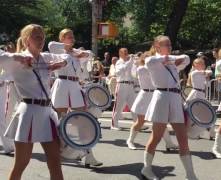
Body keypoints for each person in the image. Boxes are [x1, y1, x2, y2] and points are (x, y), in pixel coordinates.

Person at [2, 24, 69, 180]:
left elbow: (67, 56)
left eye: (42, 37)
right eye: (36, 37)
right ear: (26, 40)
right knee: (21, 164)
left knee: (55, 162)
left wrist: (61, 64)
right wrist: (16, 57)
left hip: (47, 113)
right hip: (28, 113)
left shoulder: (46, 57)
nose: (41, 40)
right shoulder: (16, 60)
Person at [141, 35, 198, 180]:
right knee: (156, 137)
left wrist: (171, 59)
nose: (170, 47)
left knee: (183, 138)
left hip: (174, 98)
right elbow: (151, 60)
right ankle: (146, 169)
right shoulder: (151, 61)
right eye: (166, 45)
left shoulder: (172, 62)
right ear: (157, 46)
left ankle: (190, 175)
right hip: (161, 97)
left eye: (170, 44)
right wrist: (168, 59)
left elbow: (186, 58)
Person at [48, 28, 102, 167]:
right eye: (68, 36)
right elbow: (51, 44)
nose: (72, 38)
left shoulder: (76, 53)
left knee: (83, 121)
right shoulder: (57, 50)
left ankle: (89, 155)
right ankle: (59, 151)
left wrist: (77, 52)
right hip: (61, 85)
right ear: (62, 39)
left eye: (72, 36)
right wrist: (71, 50)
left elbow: (91, 54)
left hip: (75, 86)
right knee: (59, 120)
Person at [127, 51, 178, 151]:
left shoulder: (155, 68)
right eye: (148, 58)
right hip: (144, 96)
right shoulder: (141, 68)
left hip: (154, 95)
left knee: (160, 121)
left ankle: (169, 143)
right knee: (140, 121)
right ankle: (130, 140)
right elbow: (145, 70)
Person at [111, 48, 137, 130]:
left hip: (130, 86)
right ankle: (114, 125)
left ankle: (137, 124)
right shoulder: (119, 62)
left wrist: (136, 62)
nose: (126, 53)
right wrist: (131, 60)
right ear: (120, 53)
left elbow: (134, 73)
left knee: (134, 106)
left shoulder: (130, 62)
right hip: (121, 85)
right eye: (124, 52)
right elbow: (124, 68)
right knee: (118, 106)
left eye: (127, 52)